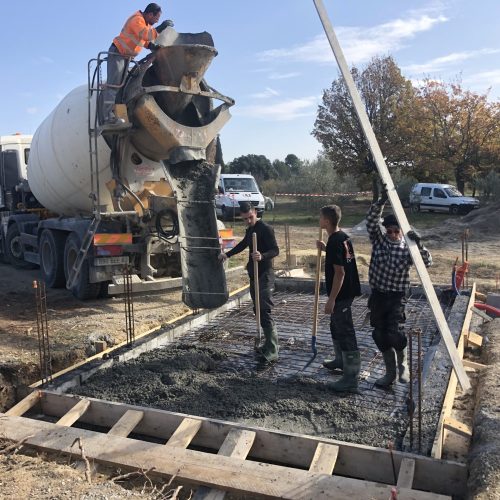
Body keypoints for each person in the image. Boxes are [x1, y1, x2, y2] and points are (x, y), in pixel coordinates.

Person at [366, 187, 432, 387]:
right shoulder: (379, 240)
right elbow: (371, 221)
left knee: (394, 332)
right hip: (378, 294)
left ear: (401, 231)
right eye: (390, 231)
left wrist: (419, 245)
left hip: (397, 296)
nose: (393, 234)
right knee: (379, 333)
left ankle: (403, 366)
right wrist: (380, 202)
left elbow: (427, 263)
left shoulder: (407, 248)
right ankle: (390, 373)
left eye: (397, 231)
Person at [218, 202, 280, 362]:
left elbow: (275, 250)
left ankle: (273, 349)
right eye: (245, 219)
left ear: (255, 213)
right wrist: (228, 254)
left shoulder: (265, 229)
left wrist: (262, 256)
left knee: (264, 309)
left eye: (250, 218)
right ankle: (267, 344)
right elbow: (243, 244)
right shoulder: (250, 230)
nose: (248, 221)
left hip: (265, 273)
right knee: (257, 309)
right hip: (254, 274)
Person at [102, 3, 173, 126]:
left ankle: (116, 115)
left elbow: (142, 39)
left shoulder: (144, 23)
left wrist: (151, 45)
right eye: (156, 19)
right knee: (113, 86)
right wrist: (161, 28)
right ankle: (107, 117)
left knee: (120, 87)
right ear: (150, 14)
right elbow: (145, 34)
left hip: (125, 57)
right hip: (118, 54)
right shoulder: (137, 19)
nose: (156, 22)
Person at [316, 205, 362, 392]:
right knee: (335, 325)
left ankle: (351, 379)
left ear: (327, 221)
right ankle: (340, 360)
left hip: (342, 294)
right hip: (347, 291)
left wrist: (331, 299)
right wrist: (326, 249)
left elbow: (340, 272)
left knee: (345, 331)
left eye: (320, 218)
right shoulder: (342, 237)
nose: (319, 220)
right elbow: (342, 258)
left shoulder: (336, 241)